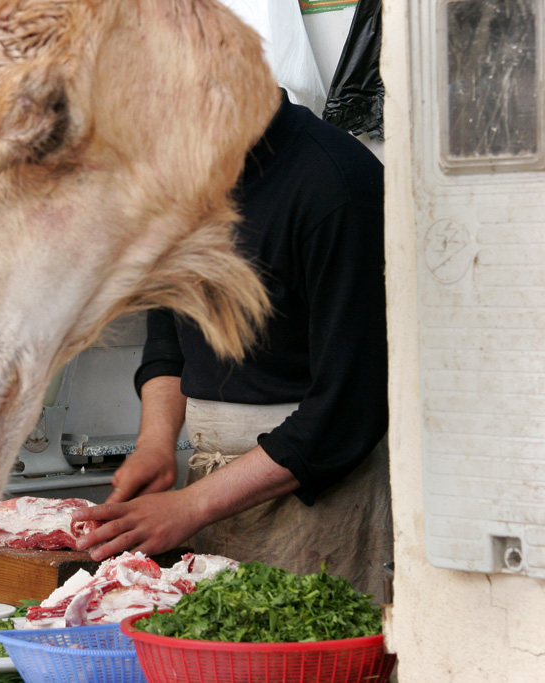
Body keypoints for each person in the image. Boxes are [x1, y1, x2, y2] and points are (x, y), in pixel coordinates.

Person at [72, 90, 391, 599]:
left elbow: (349, 409)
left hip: (321, 500)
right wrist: (156, 443)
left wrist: (192, 505)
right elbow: (168, 330)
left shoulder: (337, 186)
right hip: (211, 487)